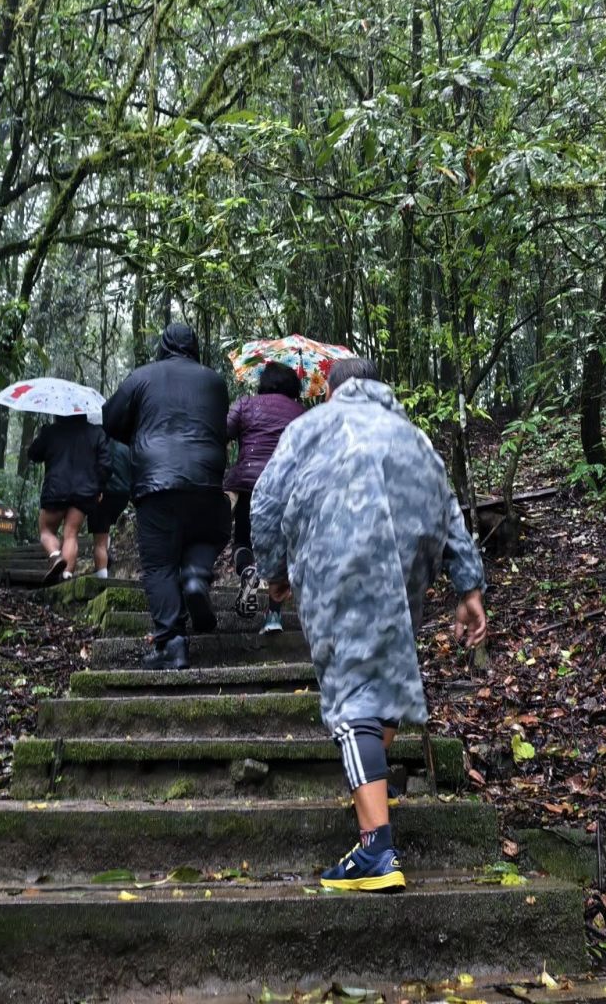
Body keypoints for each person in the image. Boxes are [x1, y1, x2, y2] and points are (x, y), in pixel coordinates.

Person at [251, 358, 488, 893]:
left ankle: (377, 848)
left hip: (337, 562)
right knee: (381, 679)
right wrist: (469, 588)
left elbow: (265, 501)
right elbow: (449, 508)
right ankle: (370, 802)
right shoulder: (413, 436)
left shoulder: (309, 429)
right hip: (407, 564)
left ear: (332, 392)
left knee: (351, 694)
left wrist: (274, 571)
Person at [102, 323, 231, 669]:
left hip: (156, 483)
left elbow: (110, 420)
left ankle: (171, 642)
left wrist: (141, 432)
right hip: (206, 480)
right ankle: (196, 574)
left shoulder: (141, 377)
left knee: (159, 564)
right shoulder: (215, 382)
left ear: (163, 346)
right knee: (213, 530)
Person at [224, 361, 304, 632]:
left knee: (243, 540)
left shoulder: (246, 405)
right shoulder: (301, 414)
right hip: (287, 490)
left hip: (250, 485)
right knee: (281, 552)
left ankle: (247, 570)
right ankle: (273, 618)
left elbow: (222, 432)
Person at [27, 410, 111, 586]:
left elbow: (33, 454)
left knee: (46, 531)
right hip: (84, 492)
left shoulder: (51, 431)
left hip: (56, 489)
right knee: (71, 534)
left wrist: (41, 437)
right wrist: (99, 487)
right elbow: (105, 464)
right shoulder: (96, 432)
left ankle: (55, 556)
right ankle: (65, 577)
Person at [86, 439, 132, 578]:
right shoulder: (126, 447)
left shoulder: (98, 445)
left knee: (99, 541)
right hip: (123, 496)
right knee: (106, 528)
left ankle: (102, 578)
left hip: (104, 495)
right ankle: (107, 556)